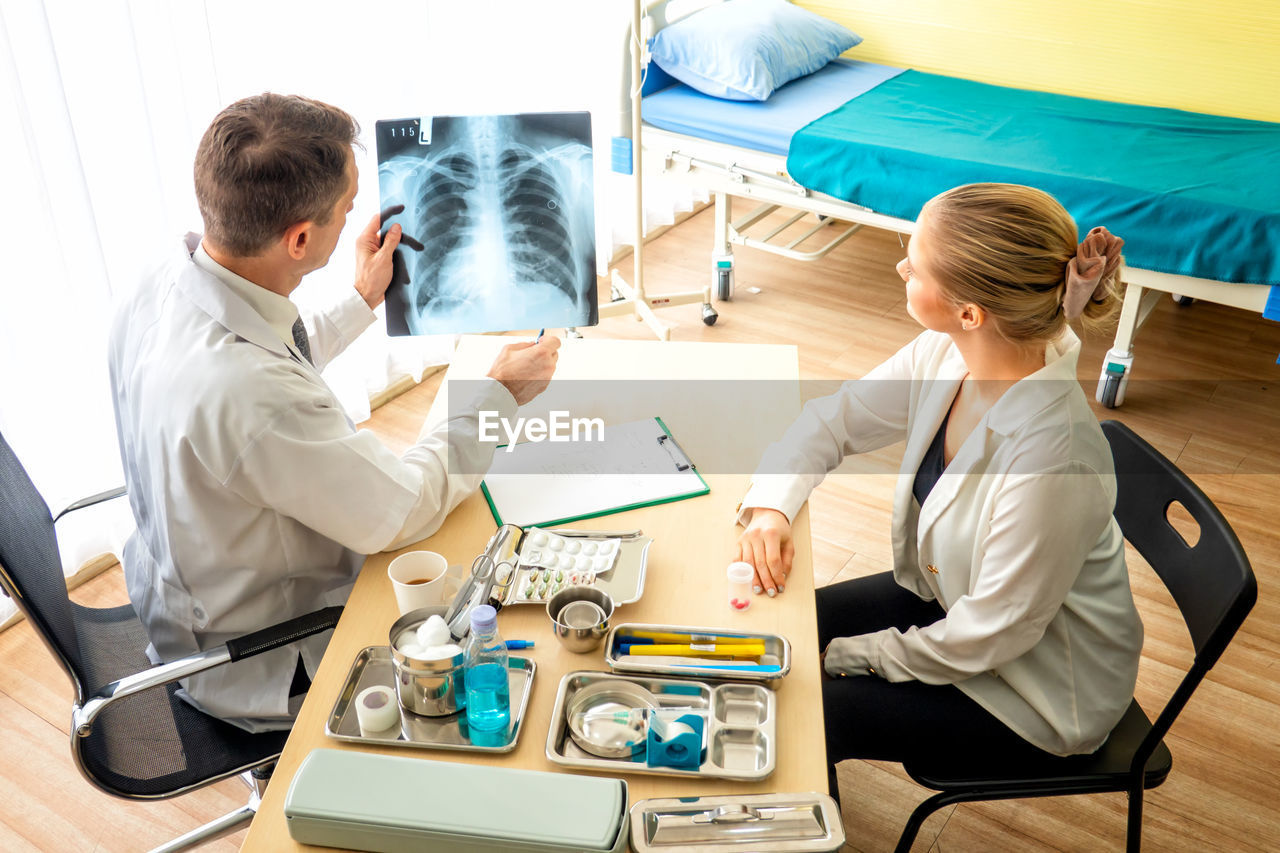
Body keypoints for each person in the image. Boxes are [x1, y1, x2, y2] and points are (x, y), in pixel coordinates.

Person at [108, 93, 561, 732]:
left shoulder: (160, 283)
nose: (355, 217)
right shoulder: (249, 394)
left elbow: (266, 354)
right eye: (347, 208)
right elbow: (399, 510)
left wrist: (359, 299)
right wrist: (498, 398)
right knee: (503, 590)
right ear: (299, 238)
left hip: (185, 594)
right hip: (269, 656)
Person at [734, 183, 1145, 775]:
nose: (901, 265)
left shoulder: (1056, 460)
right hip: (954, 599)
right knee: (776, 626)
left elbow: (992, 637)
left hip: (1036, 691)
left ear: (970, 312)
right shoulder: (950, 352)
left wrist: (851, 655)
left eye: (916, 264)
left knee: (808, 711)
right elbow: (834, 420)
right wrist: (772, 506)